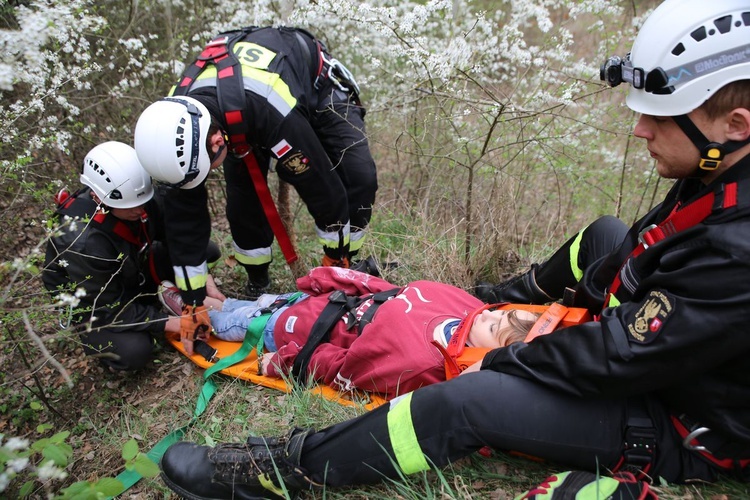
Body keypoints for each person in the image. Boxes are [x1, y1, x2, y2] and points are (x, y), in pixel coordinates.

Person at [159, 1, 750, 498]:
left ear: (736, 125)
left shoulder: (738, 248)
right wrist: (520, 312)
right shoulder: (715, 177)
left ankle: (279, 471)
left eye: (659, 116)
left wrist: (502, 358)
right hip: (661, 345)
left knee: (470, 402)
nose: (641, 130)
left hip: (680, 413)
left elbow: (620, 356)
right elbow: (638, 262)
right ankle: (482, 300)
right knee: (604, 234)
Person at [133, 26, 378, 320]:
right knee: (243, 199)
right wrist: (192, 303)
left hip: (315, 86)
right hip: (238, 108)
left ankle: (347, 264)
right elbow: (184, 226)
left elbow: (321, 187)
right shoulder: (174, 126)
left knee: (357, 175)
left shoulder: (270, 110)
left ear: (217, 140)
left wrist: (334, 259)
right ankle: (257, 278)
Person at [160, 266, 540, 399]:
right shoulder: (464, 307)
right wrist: (330, 279)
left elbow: (342, 368)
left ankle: (173, 321)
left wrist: (283, 362)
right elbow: (389, 289)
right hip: (323, 301)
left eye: (492, 328)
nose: (485, 318)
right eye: (498, 316)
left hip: (298, 328)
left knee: (235, 323)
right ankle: (216, 301)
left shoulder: (421, 363)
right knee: (252, 304)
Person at [42, 141, 223, 370]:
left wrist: (201, 282)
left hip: (132, 266)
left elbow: (178, 237)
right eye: (131, 206)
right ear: (99, 198)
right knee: (134, 352)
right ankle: (101, 333)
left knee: (206, 251)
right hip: (97, 304)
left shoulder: (139, 197)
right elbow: (110, 308)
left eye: (142, 202)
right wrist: (178, 323)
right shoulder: (82, 243)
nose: (140, 210)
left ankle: (158, 296)